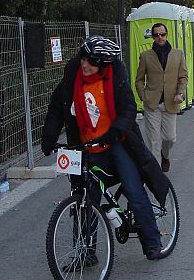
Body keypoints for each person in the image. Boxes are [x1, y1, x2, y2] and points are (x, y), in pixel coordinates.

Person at [40, 35, 169, 261]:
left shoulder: (115, 77)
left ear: (103, 64)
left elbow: (128, 110)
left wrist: (114, 133)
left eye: (91, 61)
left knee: (133, 189)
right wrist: (49, 137)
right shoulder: (73, 76)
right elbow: (57, 107)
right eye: (83, 58)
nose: (84, 64)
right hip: (84, 144)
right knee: (84, 198)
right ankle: (85, 252)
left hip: (116, 141)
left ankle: (152, 241)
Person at [135, 22, 188, 173]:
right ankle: (155, 174)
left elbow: (183, 77)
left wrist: (181, 93)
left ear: (167, 34)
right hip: (152, 104)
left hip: (171, 102)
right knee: (153, 141)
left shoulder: (178, 54)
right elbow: (139, 79)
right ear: (152, 37)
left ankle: (165, 156)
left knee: (170, 138)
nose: (160, 37)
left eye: (162, 34)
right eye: (156, 35)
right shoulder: (146, 56)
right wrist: (143, 96)